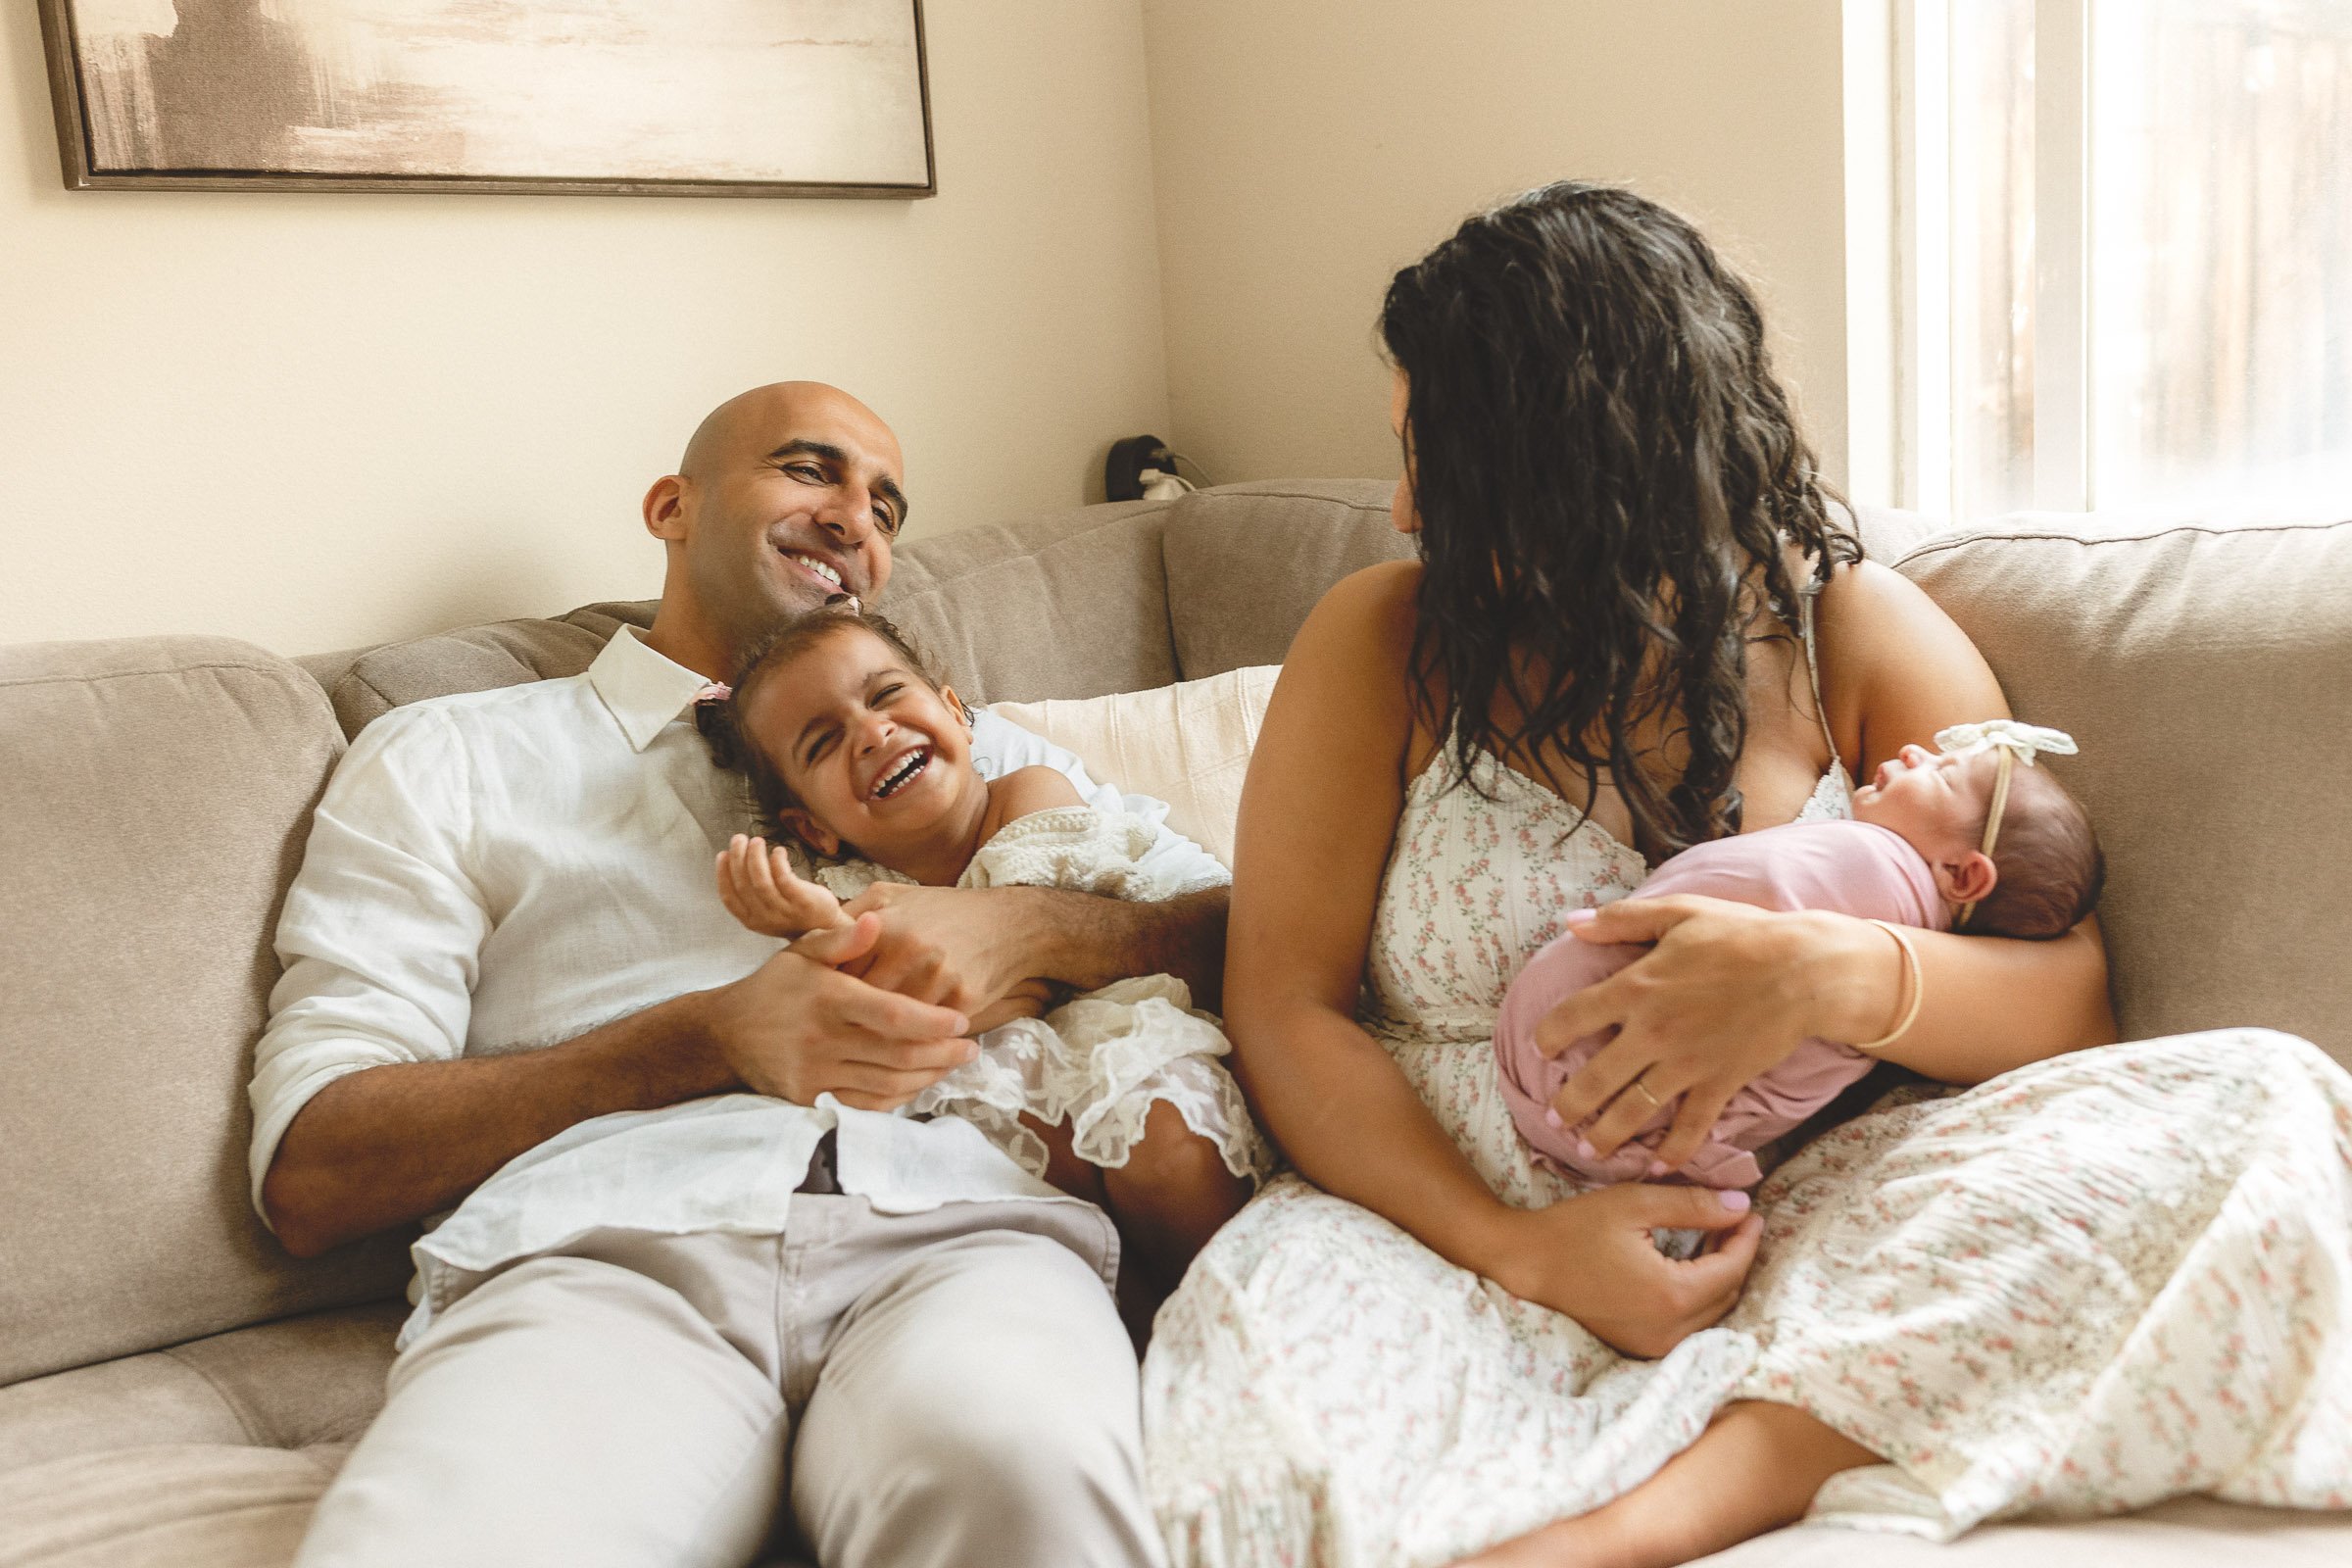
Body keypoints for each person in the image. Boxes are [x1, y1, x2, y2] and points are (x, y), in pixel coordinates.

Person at [1141, 182, 2352, 1568]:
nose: (1407, 505)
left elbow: (2069, 1006)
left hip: (1805, 1199)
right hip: (1445, 1210)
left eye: (1443, 461)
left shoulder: (1853, 634)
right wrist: (1519, 1249)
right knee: (1246, 1476)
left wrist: (1821, 974)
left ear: (1582, 463)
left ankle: (1696, 1497)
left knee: (2265, 1104)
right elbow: (1287, 1007)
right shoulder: (1383, 642)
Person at [251, 381, 1227, 1568]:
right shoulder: (450, 754)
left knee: (1028, 1490)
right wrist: (706, 1038)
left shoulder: (970, 754)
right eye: (811, 470)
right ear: (672, 506)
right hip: (603, 1259)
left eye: (885, 504)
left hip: (975, 1235)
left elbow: (1257, 931)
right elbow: (313, 1168)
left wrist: (1036, 925)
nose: (855, 517)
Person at [703, 604, 1265, 1301]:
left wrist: (881, 949)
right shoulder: (850, 887)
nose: (873, 732)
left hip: (1117, 1026)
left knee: (1169, 1148)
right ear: (811, 829)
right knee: (986, 1183)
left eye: (885, 696)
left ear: (956, 713)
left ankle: (1227, 1300)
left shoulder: (1029, 795)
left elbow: (1029, 969)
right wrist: (812, 923)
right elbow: (869, 1013)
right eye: (823, 742)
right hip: (1003, 1083)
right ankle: (1131, 1304)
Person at [1498, 719, 2102, 1189]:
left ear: (1964, 877)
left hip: (1574, 1082)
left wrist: (1817, 968)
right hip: (1624, 1151)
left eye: (1942, 774)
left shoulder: (1880, 871)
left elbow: (2079, 1016)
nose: (1917, 750)